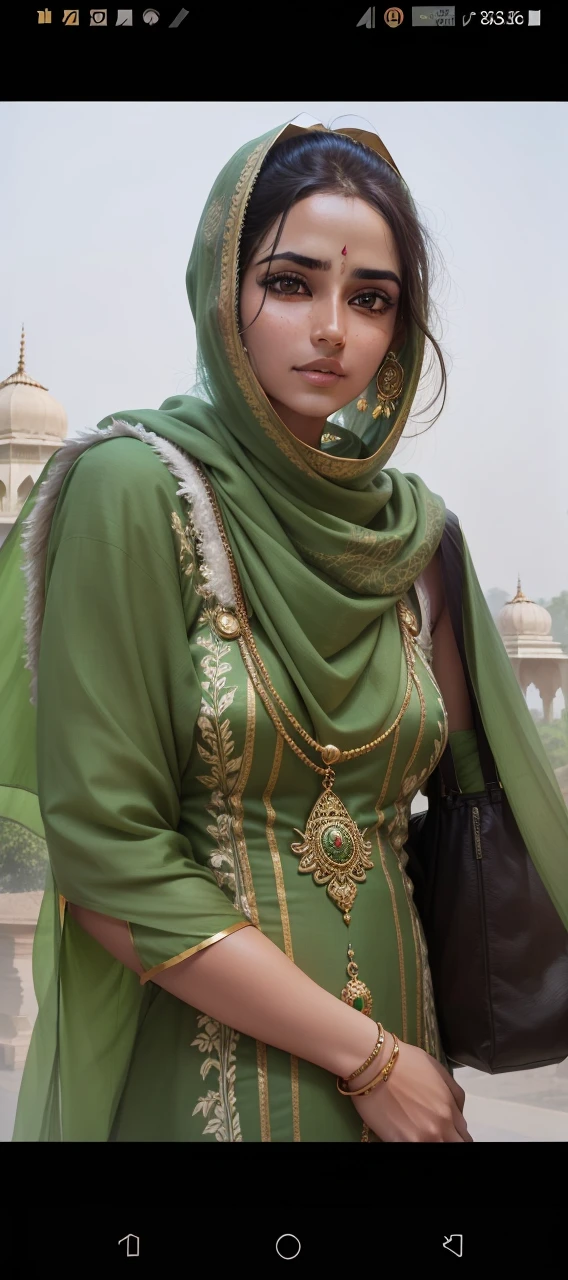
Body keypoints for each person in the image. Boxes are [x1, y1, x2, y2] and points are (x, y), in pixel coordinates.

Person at [5, 115, 568, 1142]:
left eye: (369, 299)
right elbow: (107, 861)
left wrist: (407, 1067)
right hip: (216, 1072)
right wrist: (366, 1058)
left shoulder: (413, 536)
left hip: (413, 1074)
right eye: (290, 282)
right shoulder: (133, 489)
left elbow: (477, 812)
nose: (330, 329)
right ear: (222, 291)